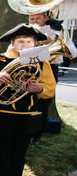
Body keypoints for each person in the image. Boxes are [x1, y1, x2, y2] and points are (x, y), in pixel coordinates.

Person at [0, 23, 56, 176]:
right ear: (13, 44)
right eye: (20, 41)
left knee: (19, 154)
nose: (24, 45)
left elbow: (50, 89)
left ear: (35, 44)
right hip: (1, 113)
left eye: (29, 42)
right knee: (2, 153)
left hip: (25, 114)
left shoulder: (41, 62)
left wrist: (39, 89)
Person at [28, 12, 64, 145]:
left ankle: (36, 135)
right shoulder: (25, 32)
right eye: (32, 18)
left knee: (43, 104)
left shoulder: (57, 32)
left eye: (38, 18)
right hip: (28, 69)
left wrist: (50, 44)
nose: (35, 21)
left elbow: (70, 52)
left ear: (46, 18)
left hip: (48, 68)